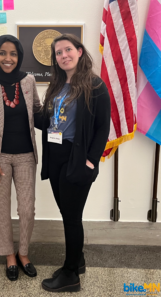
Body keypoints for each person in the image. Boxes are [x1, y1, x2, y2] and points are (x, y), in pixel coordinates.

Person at [34, 34, 111, 292]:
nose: (63, 55)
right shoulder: (57, 85)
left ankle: (70, 275)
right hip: (55, 157)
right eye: (58, 53)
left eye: (68, 50)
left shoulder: (95, 85)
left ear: (79, 51)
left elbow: (102, 128)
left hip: (77, 159)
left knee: (71, 217)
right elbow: (47, 121)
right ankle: (77, 261)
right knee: (67, 213)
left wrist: (91, 162)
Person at [0, 35, 41, 281]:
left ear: (19, 56)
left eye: (13, 53)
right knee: (2, 209)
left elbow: (37, 111)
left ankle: (23, 253)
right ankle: (9, 256)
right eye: (2, 53)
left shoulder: (29, 81)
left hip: (26, 156)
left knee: (26, 209)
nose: (8, 58)